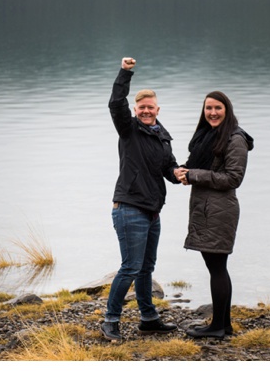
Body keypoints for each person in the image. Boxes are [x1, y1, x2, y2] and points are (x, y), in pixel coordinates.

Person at [101, 57, 180, 342]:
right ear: (136, 110)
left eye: (151, 107)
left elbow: (167, 169)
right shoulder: (129, 129)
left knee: (146, 268)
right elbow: (115, 103)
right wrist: (125, 72)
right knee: (130, 267)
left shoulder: (163, 137)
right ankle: (110, 320)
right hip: (129, 208)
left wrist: (179, 172)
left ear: (158, 110)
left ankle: (148, 319)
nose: (146, 111)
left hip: (152, 212)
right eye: (142, 107)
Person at [174, 91, 254, 339]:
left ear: (227, 110)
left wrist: (194, 175)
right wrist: (183, 171)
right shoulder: (207, 136)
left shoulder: (235, 139)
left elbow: (233, 178)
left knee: (218, 267)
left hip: (220, 210)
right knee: (215, 266)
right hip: (206, 207)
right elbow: (198, 165)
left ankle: (218, 326)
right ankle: (223, 324)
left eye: (218, 108)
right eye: (208, 108)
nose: (212, 112)